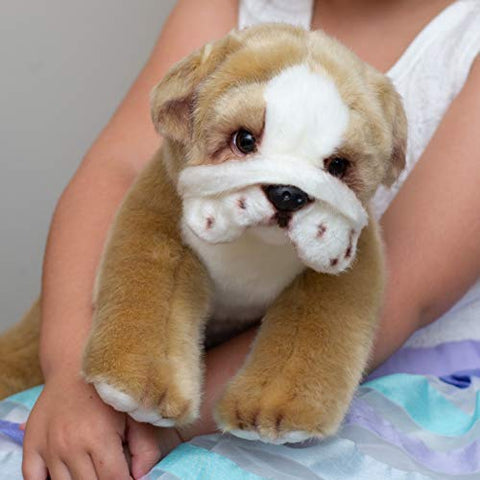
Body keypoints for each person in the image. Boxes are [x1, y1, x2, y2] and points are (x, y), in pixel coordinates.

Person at [21, 0, 480, 479]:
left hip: (373, 372)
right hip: (178, 346)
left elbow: (401, 291)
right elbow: (119, 169)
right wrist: (76, 375)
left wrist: (164, 428)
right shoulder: (230, 6)